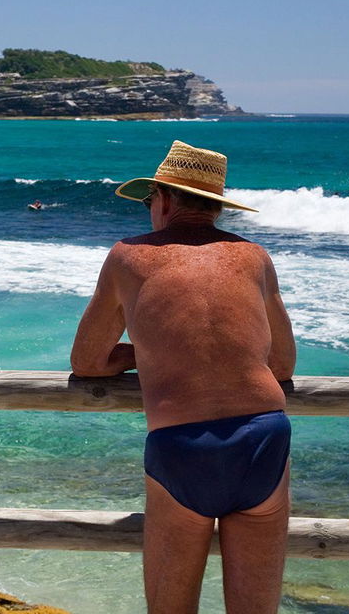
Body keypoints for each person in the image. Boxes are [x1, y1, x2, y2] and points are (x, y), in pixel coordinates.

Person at [69, 140, 296, 613]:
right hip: (263, 437)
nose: (149, 210)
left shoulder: (127, 256)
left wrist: (149, 354)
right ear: (215, 207)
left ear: (165, 200)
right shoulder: (254, 256)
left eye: (150, 200)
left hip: (182, 443)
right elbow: (282, 365)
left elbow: (87, 361)